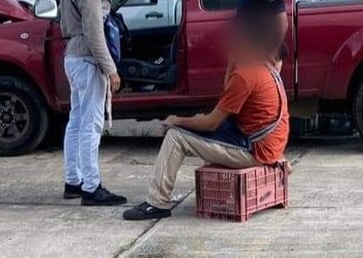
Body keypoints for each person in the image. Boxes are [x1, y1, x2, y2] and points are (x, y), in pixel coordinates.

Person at [123, 19, 290, 221]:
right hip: (267, 145)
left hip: (255, 150)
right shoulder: (265, 69)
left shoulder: (247, 76)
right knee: (202, 127)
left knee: (177, 136)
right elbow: (225, 104)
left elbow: (212, 122)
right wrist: (231, 65)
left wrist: (177, 120)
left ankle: (156, 202)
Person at [59, 0, 127, 207]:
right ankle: (91, 186)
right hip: (87, 57)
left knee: (76, 121)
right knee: (91, 123)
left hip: (74, 56)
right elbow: (94, 27)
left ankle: (73, 181)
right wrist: (110, 68)